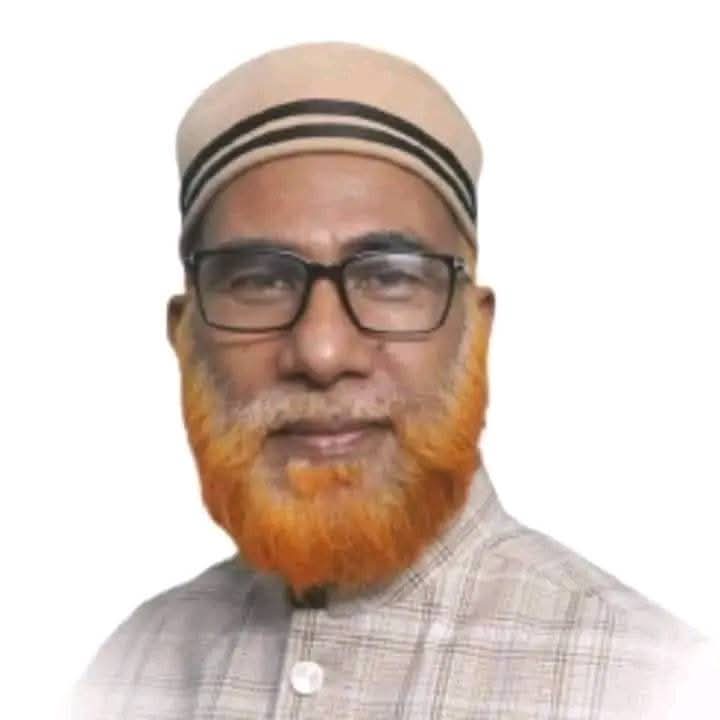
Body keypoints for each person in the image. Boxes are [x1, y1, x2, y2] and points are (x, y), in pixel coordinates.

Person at [70, 41, 717, 719]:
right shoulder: (128, 669)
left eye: (389, 277)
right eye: (259, 281)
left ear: (475, 329)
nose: (322, 352)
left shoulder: (656, 684)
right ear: (185, 337)